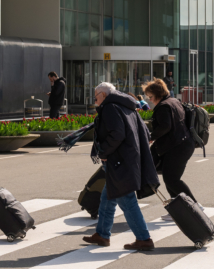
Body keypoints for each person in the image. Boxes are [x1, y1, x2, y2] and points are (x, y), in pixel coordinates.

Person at [82, 82, 159, 251]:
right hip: (127, 159)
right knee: (107, 198)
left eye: (96, 97)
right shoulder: (126, 104)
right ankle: (102, 234)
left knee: (127, 200)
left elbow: (117, 134)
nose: (95, 100)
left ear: (103, 95)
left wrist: (103, 151)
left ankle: (144, 239)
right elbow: (145, 132)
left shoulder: (110, 107)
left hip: (119, 161)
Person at [144, 78, 196, 207]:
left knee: (172, 179)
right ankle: (178, 207)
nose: (150, 100)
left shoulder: (163, 106)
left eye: (150, 97)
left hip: (178, 147)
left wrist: (151, 137)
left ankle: (194, 206)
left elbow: (165, 126)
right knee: (169, 178)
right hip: (182, 144)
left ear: (157, 94)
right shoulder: (174, 101)